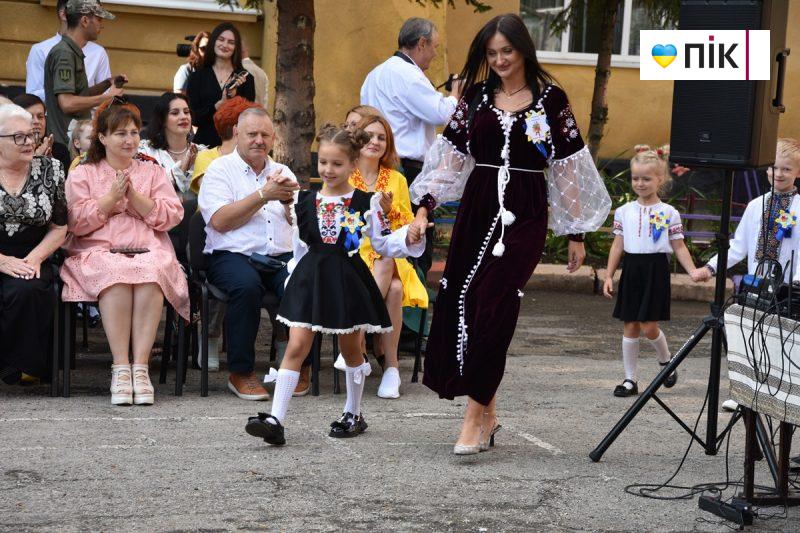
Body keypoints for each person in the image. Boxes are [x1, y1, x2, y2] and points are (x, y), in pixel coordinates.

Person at [410, 14, 611, 455]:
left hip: (526, 209)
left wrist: (575, 231)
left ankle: (473, 419)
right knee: (466, 301)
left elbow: (567, 166)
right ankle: (490, 411)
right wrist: (425, 206)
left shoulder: (551, 98)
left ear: (524, 51)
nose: (500, 60)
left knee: (494, 304)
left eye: (508, 51)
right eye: (492, 53)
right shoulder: (478, 96)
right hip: (478, 207)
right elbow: (452, 158)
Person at [243, 124, 427, 446]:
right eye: (323, 162)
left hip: (347, 279)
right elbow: (299, 248)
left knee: (351, 348)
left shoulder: (366, 202)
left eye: (337, 163)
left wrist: (408, 237)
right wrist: (293, 279)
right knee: (297, 345)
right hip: (310, 278)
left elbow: (382, 245)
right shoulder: (302, 201)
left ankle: (353, 413)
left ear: (353, 164)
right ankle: (276, 419)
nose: (328, 170)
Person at [60, 100, 189, 406]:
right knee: (114, 274)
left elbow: (172, 216)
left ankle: (140, 368)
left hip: (148, 248)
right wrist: (110, 199)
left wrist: (133, 196)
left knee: (152, 271)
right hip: (97, 250)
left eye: (133, 132)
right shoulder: (84, 173)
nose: (130, 139)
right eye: (120, 133)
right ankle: (120, 367)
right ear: (102, 137)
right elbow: (75, 223)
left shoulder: (152, 171)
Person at [198, 107, 299, 400]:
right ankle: (241, 372)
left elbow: (301, 225)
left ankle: (298, 367)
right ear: (236, 135)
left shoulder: (283, 172)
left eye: (265, 135)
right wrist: (263, 196)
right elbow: (220, 221)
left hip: (280, 255)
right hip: (232, 255)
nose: (259, 140)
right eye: (252, 134)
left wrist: (290, 205)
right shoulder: (219, 169)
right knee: (246, 287)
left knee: (301, 282)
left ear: (273, 138)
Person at [692, 138, 800, 411]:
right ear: (766, 169)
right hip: (757, 286)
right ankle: (745, 395)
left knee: (784, 344)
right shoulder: (755, 205)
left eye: (787, 169)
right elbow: (738, 246)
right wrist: (711, 267)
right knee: (749, 339)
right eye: (774, 168)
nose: (779, 174)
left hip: (789, 288)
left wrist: (797, 281)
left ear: (798, 172)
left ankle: (781, 398)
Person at [333, 113, 429, 399]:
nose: (375, 142)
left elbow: (405, 230)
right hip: (351, 252)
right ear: (358, 140)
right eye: (370, 135)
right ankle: (391, 367)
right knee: (395, 290)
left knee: (386, 259)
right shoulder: (344, 174)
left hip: (389, 252)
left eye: (382, 137)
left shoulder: (397, 180)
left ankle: (357, 341)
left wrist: (387, 214)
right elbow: (340, 224)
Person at [602, 145, 696, 397]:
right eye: (635, 178)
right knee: (630, 325)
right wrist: (609, 275)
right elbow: (618, 244)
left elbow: (678, 245)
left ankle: (666, 361)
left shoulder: (669, 212)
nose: (640, 183)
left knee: (648, 326)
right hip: (632, 269)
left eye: (646, 178)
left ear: (660, 179)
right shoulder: (624, 212)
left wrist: (693, 271)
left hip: (655, 270)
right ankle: (630, 379)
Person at [0, 104, 67, 385]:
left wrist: (35, 259)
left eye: (31, 135)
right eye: (19, 137)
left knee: (27, 290)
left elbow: (60, 226)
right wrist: (2, 261)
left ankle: (21, 367)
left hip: (31, 254)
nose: (29, 142)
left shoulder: (50, 169)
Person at [360, 17, 460, 183]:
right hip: (406, 170)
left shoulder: (373, 75)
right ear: (421, 43)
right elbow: (442, 115)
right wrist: (456, 93)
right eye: (434, 47)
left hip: (375, 165)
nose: (435, 54)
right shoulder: (409, 74)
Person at [43, 0, 125, 146]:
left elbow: (80, 95)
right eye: (99, 19)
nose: (102, 25)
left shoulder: (72, 51)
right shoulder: (65, 54)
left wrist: (107, 83)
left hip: (71, 141)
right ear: (85, 21)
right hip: (65, 143)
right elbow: (67, 103)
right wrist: (107, 96)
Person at [25, 0, 112, 101]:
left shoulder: (99, 52)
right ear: (64, 15)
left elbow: (105, 97)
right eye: (98, 19)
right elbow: (33, 95)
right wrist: (67, 94)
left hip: (89, 115)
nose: (101, 25)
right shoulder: (40, 50)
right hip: (51, 115)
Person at [187, 22, 255, 147]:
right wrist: (219, 104)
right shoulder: (197, 77)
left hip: (235, 149)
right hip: (204, 146)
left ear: (236, 47)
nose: (225, 45)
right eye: (221, 40)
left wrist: (232, 101)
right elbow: (194, 119)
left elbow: (247, 119)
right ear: (213, 42)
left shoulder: (246, 79)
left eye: (231, 42)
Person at [139, 92, 206, 199]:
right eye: (175, 113)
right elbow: (148, 191)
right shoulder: (146, 152)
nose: (183, 117)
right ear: (162, 119)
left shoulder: (202, 153)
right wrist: (182, 169)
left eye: (186, 112)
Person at [190, 96, 258, 194]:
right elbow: (216, 196)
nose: (259, 139)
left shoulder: (263, 158)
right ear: (237, 129)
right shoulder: (206, 158)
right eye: (253, 130)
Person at [12, 93, 71, 171]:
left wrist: (50, 161)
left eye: (40, 117)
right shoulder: (9, 149)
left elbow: (64, 182)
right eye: (30, 117)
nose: (36, 121)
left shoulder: (59, 150)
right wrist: (36, 158)